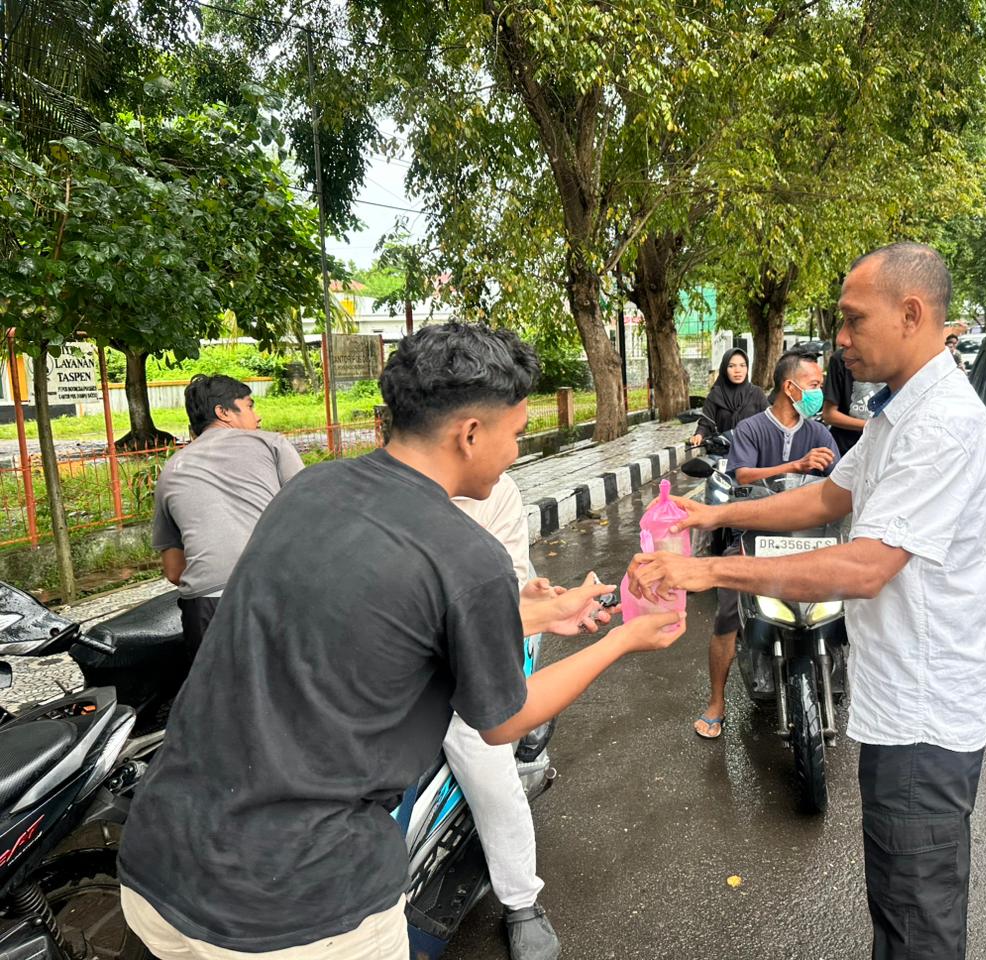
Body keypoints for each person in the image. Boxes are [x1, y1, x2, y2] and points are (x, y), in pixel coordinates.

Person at [118, 323, 686, 960]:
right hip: (297, 910)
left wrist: (538, 611)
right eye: (516, 433)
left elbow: (375, 614)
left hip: (158, 867)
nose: (515, 452)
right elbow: (504, 719)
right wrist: (622, 639)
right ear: (470, 433)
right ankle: (520, 897)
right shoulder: (466, 552)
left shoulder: (312, 489)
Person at [630, 243, 986, 959]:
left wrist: (710, 573)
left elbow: (865, 568)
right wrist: (715, 515)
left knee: (916, 915)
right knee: (896, 898)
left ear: (912, 313)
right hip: (898, 695)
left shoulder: (941, 423)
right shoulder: (897, 412)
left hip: (926, 710)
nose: (840, 340)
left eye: (853, 319)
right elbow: (828, 498)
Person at [448, 473, 565, 960]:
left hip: (469, 654)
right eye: (511, 437)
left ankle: (521, 901)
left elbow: (510, 591)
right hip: (399, 660)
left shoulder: (497, 491)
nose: (513, 452)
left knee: (483, 757)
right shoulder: (368, 491)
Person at [694, 350, 838, 740]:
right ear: (790, 387)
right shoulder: (752, 429)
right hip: (755, 536)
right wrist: (796, 466)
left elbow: (842, 480)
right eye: (813, 385)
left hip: (810, 537)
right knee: (727, 612)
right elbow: (742, 474)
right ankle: (716, 701)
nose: (819, 392)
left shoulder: (820, 433)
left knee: (851, 601)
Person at [151, 374, 303, 657]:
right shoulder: (271, 444)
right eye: (249, 406)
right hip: (271, 590)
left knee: (219, 686)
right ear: (223, 412)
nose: (257, 416)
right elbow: (309, 519)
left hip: (204, 605)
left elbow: (173, 571)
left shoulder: (171, 468)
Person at [689, 348, 768, 446]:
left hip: (753, 448)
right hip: (724, 449)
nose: (737, 370)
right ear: (724, 369)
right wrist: (699, 435)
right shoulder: (716, 395)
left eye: (742, 365)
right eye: (731, 366)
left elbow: (769, 420)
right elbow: (706, 423)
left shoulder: (756, 393)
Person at [821, 346, 867, 455]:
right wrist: (870, 425)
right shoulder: (841, 358)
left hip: (883, 450)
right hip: (846, 450)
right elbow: (829, 415)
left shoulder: (895, 359)